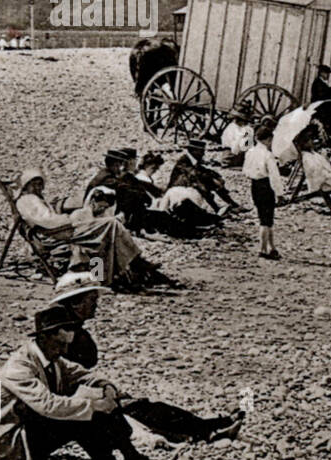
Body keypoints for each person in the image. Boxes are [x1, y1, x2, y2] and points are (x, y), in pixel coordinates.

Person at [0, 306, 245, 460]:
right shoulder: (19, 367)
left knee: (98, 406)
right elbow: (48, 405)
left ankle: (132, 458)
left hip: (33, 429)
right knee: (82, 416)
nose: (64, 351)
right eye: (60, 345)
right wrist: (94, 405)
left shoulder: (51, 357)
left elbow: (81, 374)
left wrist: (106, 387)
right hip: (14, 444)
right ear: (44, 338)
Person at [15, 168, 167, 290]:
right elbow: (48, 221)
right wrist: (72, 218)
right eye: (34, 184)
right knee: (110, 225)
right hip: (58, 233)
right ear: (26, 186)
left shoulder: (34, 199)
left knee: (105, 233)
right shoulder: (27, 200)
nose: (38, 187)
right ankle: (133, 262)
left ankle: (106, 275)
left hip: (62, 230)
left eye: (40, 183)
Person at [50, 270, 109, 369]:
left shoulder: (76, 331)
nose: (95, 305)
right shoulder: (61, 335)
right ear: (75, 303)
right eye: (92, 300)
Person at [244, 123, 284, 260]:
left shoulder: (250, 152)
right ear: (268, 139)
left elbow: (245, 171)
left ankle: (272, 248)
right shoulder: (268, 155)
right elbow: (275, 177)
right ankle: (262, 249)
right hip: (266, 186)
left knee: (265, 218)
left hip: (254, 185)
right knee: (266, 220)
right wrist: (280, 194)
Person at [169, 139, 241, 214]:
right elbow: (193, 173)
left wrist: (216, 177)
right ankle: (217, 207)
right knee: (203, 185)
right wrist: (211, 179)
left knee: (209, 182)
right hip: (178, 188)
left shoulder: (193, 159)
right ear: (193, 151)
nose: (203, 154)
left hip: (190, 183)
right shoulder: (183, 161)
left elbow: (201, 170)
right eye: (201, 151)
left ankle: (232, 204)